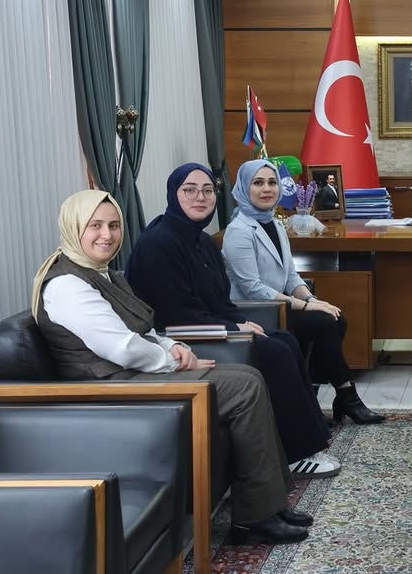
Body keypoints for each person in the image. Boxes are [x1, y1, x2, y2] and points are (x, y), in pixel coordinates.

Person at [32, 190, 313, 545]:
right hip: (112, 389)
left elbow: (142, 329)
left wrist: (173, 346)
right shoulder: (67, 284)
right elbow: (122, 348)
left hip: (134, 375)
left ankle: (268, 505)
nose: (107, 235)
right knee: (244, 386)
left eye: (114, 226)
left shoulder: (103, 274)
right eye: (95, 226)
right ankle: (257, 517)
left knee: (248, 377)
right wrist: (173, 362)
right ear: (74, 228)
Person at [125, 163, 340, 478]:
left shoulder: (202, 241)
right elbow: (173, 314)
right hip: (184, 341)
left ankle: (305, 440)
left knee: (285, 339)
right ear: (173, 194)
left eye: (207, 190)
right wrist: (233, 328)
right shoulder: (158, 244)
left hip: (214, 328)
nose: (200, 197)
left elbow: (221, 300)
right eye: (189, 190)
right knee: (275, 353)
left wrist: (239, 320)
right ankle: (297, 454)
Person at [222, 159, 385, 425]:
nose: (267, 189)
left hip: (280, 305)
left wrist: (311, 299)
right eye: (258, 183)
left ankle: (314, 398)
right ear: (243, 188)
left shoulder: (275, 224)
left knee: (335, 317)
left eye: (272, 182)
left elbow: (290, 276)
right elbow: (253, 288)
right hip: (255, 312)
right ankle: (346, 395)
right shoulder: (238, 231)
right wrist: (308, 307)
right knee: (322, 323)